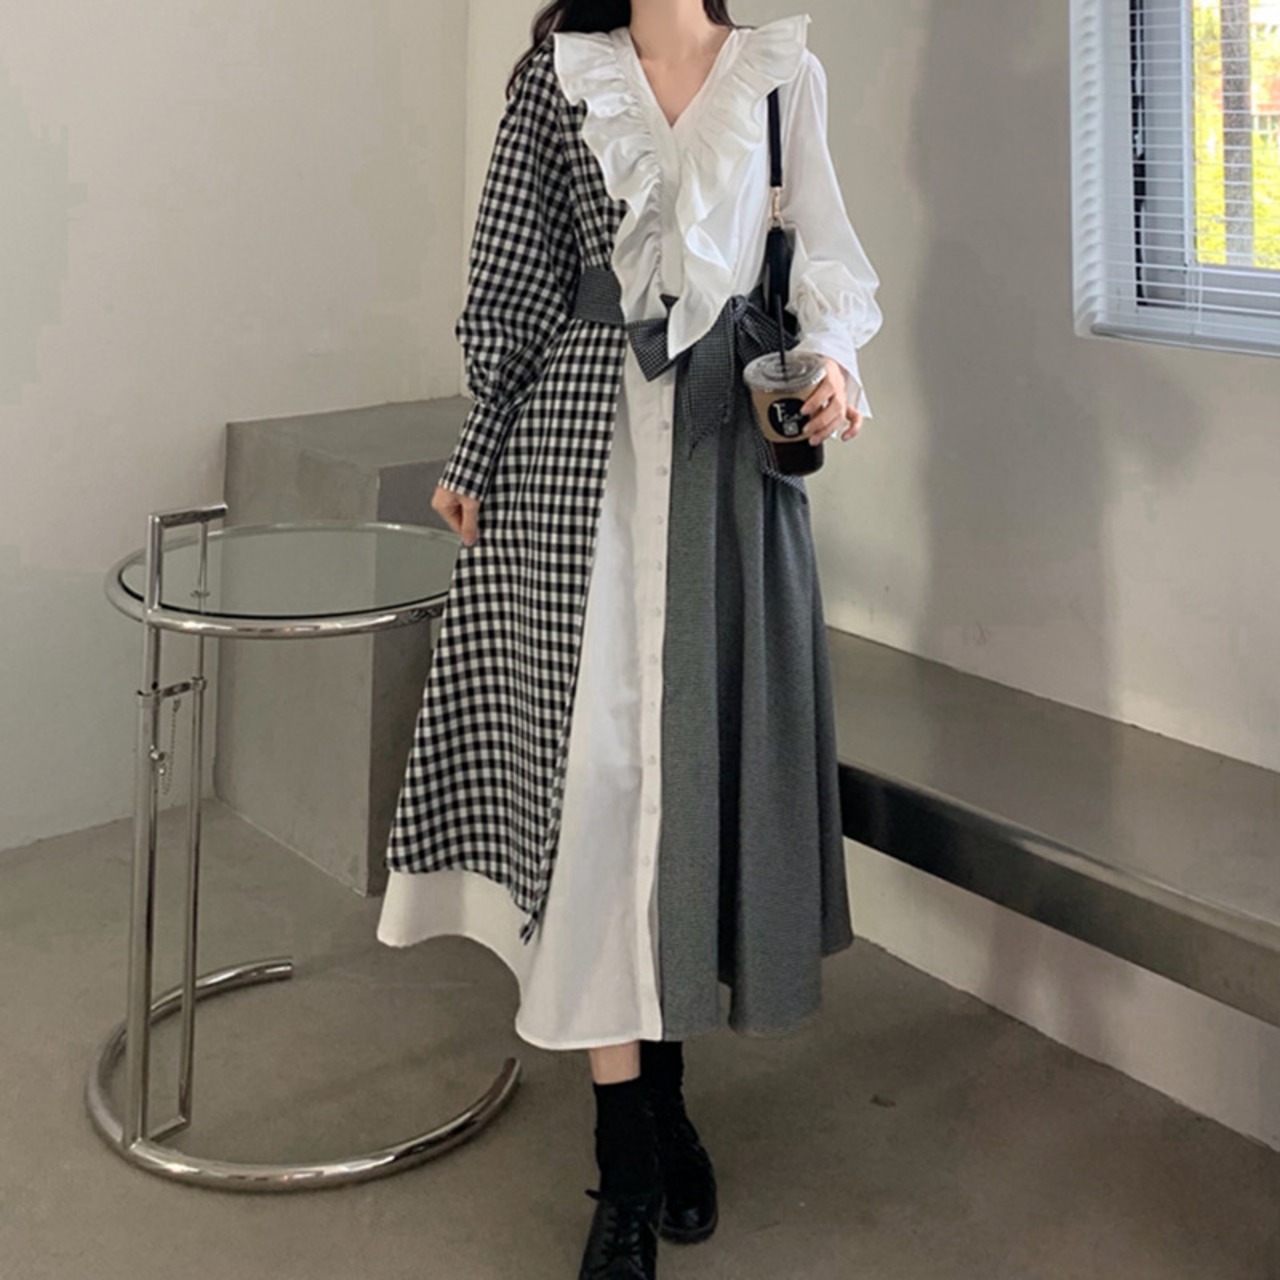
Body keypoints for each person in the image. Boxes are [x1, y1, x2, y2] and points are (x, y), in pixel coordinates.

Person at [377, 1, 882, 1275]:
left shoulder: (779, 74)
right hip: (574, 468)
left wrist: (830, 358)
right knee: (599, 792)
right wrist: (476, 446)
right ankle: (630, 1152)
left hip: (729, 465)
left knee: (683, 794)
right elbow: (508, 286)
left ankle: (664, 1106)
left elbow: (824, 256)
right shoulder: (559, 78)